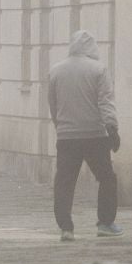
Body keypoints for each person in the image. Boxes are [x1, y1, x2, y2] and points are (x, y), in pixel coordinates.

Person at [48, 30, 120, 240]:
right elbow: (105, 102)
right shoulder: (99, 70)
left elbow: (53, 104)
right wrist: (112, 129)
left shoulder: (56, 71)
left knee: (64, 181)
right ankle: (105, 223)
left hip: (66, 136)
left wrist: (60, 125)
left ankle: (66, 228)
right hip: (95, 135)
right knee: (107, 178)